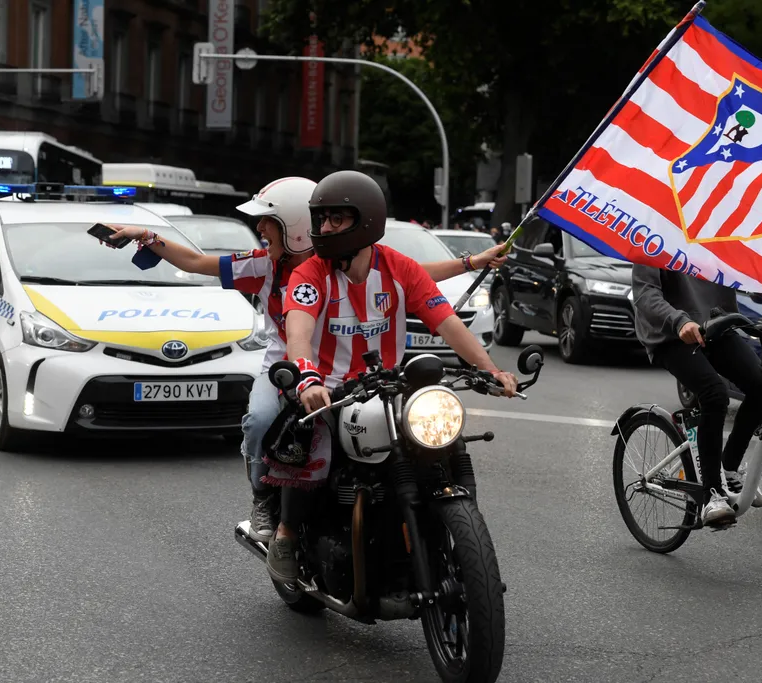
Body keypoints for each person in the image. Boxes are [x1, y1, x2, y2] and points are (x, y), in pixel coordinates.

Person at [106, 178, 509, 545]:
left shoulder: (387, 265)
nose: (260, 229)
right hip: (296, 371)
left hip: (375, 380)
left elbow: (430, 295)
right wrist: (147, 235)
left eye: (269, 221)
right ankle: (268, 503)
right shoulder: (279, 268)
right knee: (265, 422)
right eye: (325, 218)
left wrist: (490, 367)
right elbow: (203, 268)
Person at [265, 170, 518, 582]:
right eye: (321, 219)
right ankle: (287, 534)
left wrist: (490, 369)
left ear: (365, 221)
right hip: (327, 390)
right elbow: (298, 333)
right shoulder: (310, 273)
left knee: (440, 445)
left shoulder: (400, 269)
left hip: (388, 388)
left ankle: (457, 548)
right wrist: (307, 378)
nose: (325, 228)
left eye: (336, 219)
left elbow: (449, 323)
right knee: (310, 449)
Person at [631, 265, 762, 527]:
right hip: (670, 332)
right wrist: (679, 320)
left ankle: (728, 468)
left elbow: (759, 272)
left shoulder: (722, 232)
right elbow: (645, 293)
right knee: (714, 394)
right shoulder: (656, 230)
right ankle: (711, 494)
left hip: (717, 325)